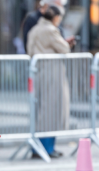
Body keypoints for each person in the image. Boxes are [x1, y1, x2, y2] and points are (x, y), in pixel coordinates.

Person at [27, 6, 70, 158]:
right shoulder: (51, 30)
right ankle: (47, 148)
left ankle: (37, 147)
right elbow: (64, 48)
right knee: (52, 110)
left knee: (41, 109)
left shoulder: (34, 29)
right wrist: (67, 43)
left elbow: (30, 50)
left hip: (38, 71)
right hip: (53, 73)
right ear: (56, 18)